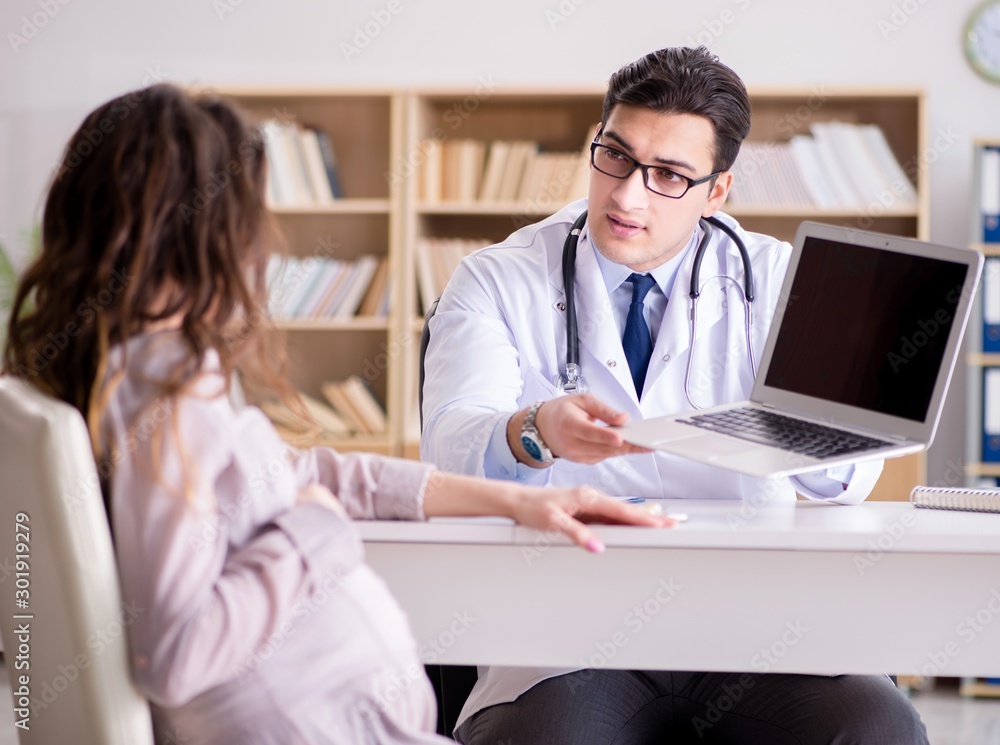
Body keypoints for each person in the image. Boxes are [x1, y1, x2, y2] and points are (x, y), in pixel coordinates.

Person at [1, 83, 673, 745]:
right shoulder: (169, 396)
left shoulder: (119, 371)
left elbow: (306, 473)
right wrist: (314, 530)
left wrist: (512, 500)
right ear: (208, 228)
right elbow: (175, 652)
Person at [420, 47, 929, 744]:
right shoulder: (496, 280)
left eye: (668, 175)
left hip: (757, 622)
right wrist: (535, 430)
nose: (628, 195)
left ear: (717, 191)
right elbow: (450, 445)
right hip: (570, 630)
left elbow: (850, 479)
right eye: (616, 157)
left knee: (876, 729)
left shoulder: (779, 280)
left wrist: (805, 430)